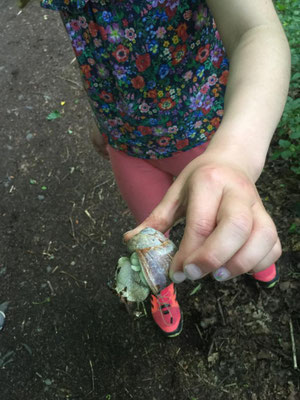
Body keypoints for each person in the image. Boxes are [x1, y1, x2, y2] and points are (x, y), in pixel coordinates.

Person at [41, 0, 290, 337]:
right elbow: (91, 46)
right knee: (150, 236)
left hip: (203, 135)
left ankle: (246, 248)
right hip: (127, 143)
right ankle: (160, 284)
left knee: (220, 211)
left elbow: (255, 30)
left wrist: (234, 156)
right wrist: (99, 117)